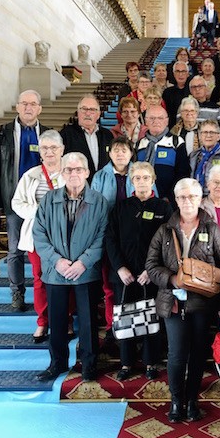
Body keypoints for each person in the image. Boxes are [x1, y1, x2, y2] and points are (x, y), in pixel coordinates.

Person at [146, 178, 220, 422]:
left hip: (203, 303)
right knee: (176, 354)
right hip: (172, 302)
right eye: (182, 197)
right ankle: (176, 401)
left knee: (197, 354)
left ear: (199, 198)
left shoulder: (210, 228)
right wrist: (172, 279)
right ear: (176, 199)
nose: (187, 201)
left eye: (192, 196)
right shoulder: (164, 230)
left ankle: (192, 399)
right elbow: (151, 265)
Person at [33, 152, 108, 382]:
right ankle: (57, 363)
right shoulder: (49, 199)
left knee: (87, 322)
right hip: (56, 271)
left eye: (78, 170)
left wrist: (83, 262)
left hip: (85, 272)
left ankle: (88, 365)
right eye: (68, 170)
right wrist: (57, 260)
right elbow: (39, 233)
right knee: (57, 322)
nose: (73, 174)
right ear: (62, 173)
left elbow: (102, 236)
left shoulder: (99, 201)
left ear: (87, 172)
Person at [106, 162, 173, 380]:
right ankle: (126, 363)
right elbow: (111, 240)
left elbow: (169, 243)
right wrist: (120, 268)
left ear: (153, 180)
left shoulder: (163, 208)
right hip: (124, 275)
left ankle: (150, 362)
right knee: (125, 317)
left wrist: (151, 270)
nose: (142, 182)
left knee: (150, 318)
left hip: (151, 274)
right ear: (131, 181)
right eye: (137, 178)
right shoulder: (121, 208)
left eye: (146, 178)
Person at [0, 89, 50, 311]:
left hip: (43, 204)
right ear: (17, 107)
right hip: (15, 202)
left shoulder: (48, 133)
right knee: (15, 250)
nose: (28, 107)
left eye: (33, 104)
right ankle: (17, 292)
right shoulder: (3, 133)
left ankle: (47, 292)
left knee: (43, 250)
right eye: (24, 103)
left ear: (39, 108)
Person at [11, 130, 66, 341]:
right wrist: (39, 212)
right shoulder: (30, 175)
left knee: (64, 279)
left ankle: (66, 320)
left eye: (54, 147)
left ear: (62, 150)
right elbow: (17, 203)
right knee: (40, 279)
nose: (49, 151)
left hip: (63, 236)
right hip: (37, 237)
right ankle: (43, 321)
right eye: (45, 148)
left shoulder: (69, 172)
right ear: (39, 151)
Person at [91, 136, 135, 342]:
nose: (120, 154)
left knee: (134, 285)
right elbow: (93, 207)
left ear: (131, 153)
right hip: (109, 236)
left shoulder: (140, 172)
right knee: (110, 286)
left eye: (124, 150)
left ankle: (135, 327)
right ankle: (112, 325)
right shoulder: (100, 176)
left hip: (135, 238)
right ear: (109, 153)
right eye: (116, 150)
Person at [137, 106, 190, 201]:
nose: (156, 121)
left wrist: (170, 197)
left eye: (160, 118)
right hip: (142, 198)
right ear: (146, 121)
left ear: (167, 121)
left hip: (168, 200)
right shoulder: (139, 144)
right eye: (152, 118)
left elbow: (183, 173)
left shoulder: (177, 142)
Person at [60, 94, 113, 180]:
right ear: (78, 112)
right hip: (77, 186)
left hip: (103, 187)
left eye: (92, 110)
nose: (88, 113)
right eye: (84, 109)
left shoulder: (107, 135)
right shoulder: (66, 134)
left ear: (98, 114)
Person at [189, 120, 220, 195]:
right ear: (200, 136)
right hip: (196, 197)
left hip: (216, 198)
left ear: (218, 136)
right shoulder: (194, 155)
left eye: (212, 132)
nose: (208, 135)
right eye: (204, 132)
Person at [163, 61, 192, 128]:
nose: (180, 74)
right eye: (178, 71)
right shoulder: (167, 92)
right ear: (174, 74)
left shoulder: (193, 90)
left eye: (183, 71)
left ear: (187, 74)